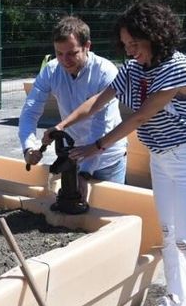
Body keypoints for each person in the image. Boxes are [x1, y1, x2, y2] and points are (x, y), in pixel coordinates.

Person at [43, 2, 186, 306]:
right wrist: (61, 124)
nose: (130, 51)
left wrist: (96, 147)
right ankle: (175, 298)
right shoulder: (133, 69)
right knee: (168, 233)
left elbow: (141, 116)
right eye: (125, 45)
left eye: (135, 44)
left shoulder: (179, 68)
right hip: (160, 158)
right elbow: (98, 100)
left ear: (155, 36)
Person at [19, 16, 127, 194]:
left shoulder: (105, 72)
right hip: (74, 157)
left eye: (72, 53)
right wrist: (29, 147)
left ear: (87, 47)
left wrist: (85, 173)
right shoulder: (52, 70)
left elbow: (101, 128)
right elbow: (30, 111)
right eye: (59, 53)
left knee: (110, 215)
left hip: (108, 159)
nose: (64, 60)